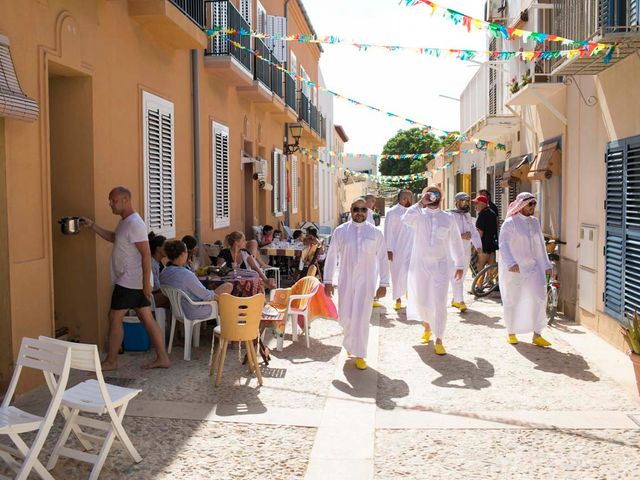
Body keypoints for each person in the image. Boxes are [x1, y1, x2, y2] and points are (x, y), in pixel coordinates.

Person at [80, 186, 170, 370]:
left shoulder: (135, 223)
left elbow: (146, 254)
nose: (110, 204)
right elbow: (115, 237)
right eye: (110, 200)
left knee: (114, 317)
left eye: (113, 201)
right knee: (146, 317)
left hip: (130, 280)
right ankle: (163, 358)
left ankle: (112, 361)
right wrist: (93, 226)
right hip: (132, 280)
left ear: (125, 201)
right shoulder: (125, 222)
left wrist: (146, 283)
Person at [323, 198, 390, 370]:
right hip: (345, 279)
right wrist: (328, 281)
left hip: (366, 281)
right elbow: (331, 257)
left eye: (363, 209)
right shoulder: (340, 231)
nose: (359, 212)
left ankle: (360, 353)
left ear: (367, 212)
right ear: (351, 211)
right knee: (345, 316)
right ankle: (350, 341)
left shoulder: (375, 233)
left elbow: (383, 258)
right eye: (356, 209)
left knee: (362, 317)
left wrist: (383, 283)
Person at [402, 185, 464, 356]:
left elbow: (456, 242)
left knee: (439, 302)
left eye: (436, 194)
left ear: (441, 197)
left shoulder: (448, 218)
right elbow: (405, 219)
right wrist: (420, 203)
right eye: (429, 194)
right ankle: (427, 327)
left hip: (441, 266)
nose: (432, 197)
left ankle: (439, 339)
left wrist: (459, 265)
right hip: (420, 265)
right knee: (422, 299)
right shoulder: (418, 216)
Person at [499, 192, 553, 347]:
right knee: (513, 300)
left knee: (540, 297)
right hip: (515, 269)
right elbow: (503, 244)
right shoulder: (510, 223)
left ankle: (537, 334)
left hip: (534, 268)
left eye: (534, 204)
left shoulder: (535, 222)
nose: (533, 207)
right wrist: (511, 263)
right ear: (521, 205)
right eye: (530, 204)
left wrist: (546, 264)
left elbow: (540, 245)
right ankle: (511, 332)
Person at [160, 240, 233, 320]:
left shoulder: (164, 272)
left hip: (177, 310)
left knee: (222, 297)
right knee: (228, 288)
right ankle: (227, 327)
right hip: (192, 310)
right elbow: (205, 295)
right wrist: (221, 299)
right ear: (183, 254)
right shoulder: (186, 274)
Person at [449, 192, 483, 312]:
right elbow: (447, 233)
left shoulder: (467, 215)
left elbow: (473, 231)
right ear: (456, 202)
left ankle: (455, 299)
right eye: (463, 201)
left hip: (466, 248)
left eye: (467, 201)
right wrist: (461, 236)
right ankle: (460, 301)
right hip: (454, 249)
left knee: (462, 274)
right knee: (456, 273)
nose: (466, 203)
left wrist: (478, 245)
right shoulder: (450, 215)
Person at [384, 189, 414, 310]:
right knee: (396, 274)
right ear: (400, 198)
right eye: (405, 198)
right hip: (397, 249)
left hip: (412, 248)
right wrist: (388, 249)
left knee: (411, 274)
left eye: (410, 198)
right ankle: (398, 298)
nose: (408, 200)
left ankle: (411, 297)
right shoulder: (392, 212)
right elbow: (388, 232)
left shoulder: (414, 212)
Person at [473, 194, 499, 274]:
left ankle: (479, 285)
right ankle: (491, 285)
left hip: (483, 246)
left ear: (482, 204)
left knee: (479, 265)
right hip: (492, 244)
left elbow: (480, 233)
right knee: (491, 267)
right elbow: (496, 227)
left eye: (477, 203)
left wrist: (474, 246)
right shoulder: (492, 213)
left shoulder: (482, 215)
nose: (475, 205)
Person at [148, 232, 170, 308]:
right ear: (158, 248)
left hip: (156, 294)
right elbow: (156, 288)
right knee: (174, 298)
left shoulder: (158, 263)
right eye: (166, 246)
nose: (168, 249)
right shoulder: (152, 264)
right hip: (149, 298)